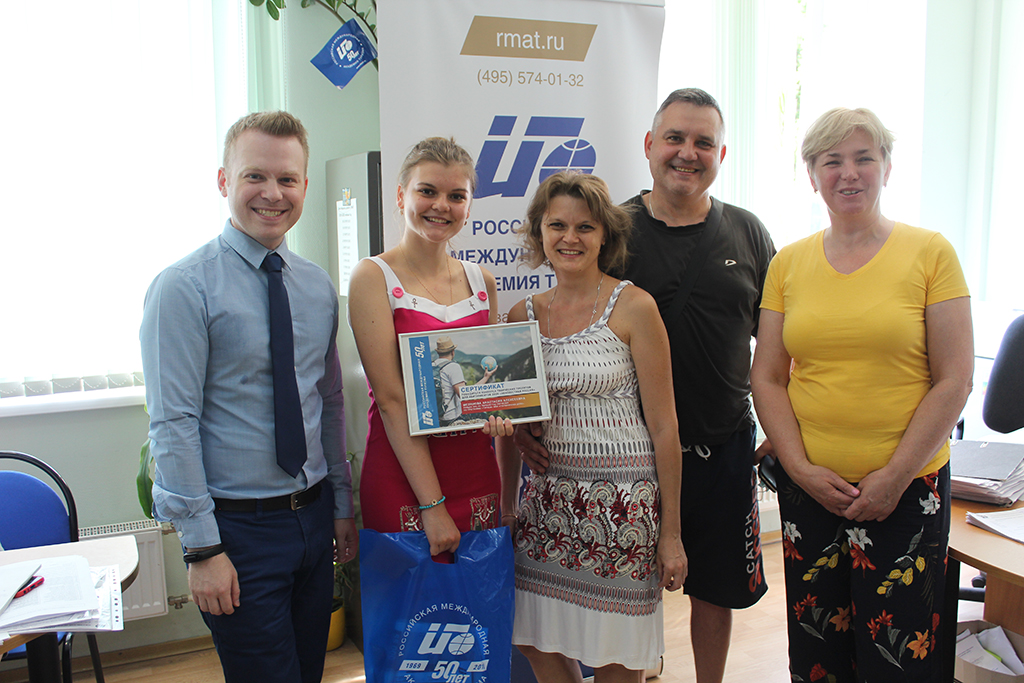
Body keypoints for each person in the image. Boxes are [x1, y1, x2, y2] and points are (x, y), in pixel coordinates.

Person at [516, 88, 775, 683]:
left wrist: (785, 430)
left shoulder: (748, 233)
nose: (687, 152)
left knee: (715, 592)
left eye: (703, 142)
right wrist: (527, 424)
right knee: (624, 612)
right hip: (629, 458)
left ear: (721, 153)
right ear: (649, 144)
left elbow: (779, 343)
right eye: (675, 138)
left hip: (722, 443)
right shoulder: (615, 230)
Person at [750, 107, 974, 682]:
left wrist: (895, 476)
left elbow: (954, 378)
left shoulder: (931, 253)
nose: (848, 173)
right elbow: (767, 377)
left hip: (908, 491)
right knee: (818, 654)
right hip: (810, 492)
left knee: (899, 658)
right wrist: (799, 468)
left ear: (887, 168)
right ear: (812, 175)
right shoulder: (788, 263)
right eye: (832, 161)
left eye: (863, 158)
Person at [140, 111, 357, 683]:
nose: (272, 193)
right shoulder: (183, 288)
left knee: (308, 673)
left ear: (304, 185)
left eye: (287, 179)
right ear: (223, 181)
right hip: (237, 534)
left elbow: (329, 402)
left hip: (313, 522)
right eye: (254, 176)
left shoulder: (316, 286)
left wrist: (341, 506)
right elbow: (173, 424)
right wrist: (201, 550)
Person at [489, 171, 686, 683]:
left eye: (585, 227)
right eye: (557, 225)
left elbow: (666, 428)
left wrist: (671, 534)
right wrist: (508, 504)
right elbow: (512, 423)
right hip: (547, 509)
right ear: (539, 232)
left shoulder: (635, 307)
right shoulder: (522, 314)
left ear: (605, 236)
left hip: (621, 513)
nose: (570, 238)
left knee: (617, 656)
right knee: (534, 639)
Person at [349, 137, 501, 557]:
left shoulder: (482, 281)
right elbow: (392, 399)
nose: (441, 206)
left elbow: (479, 393)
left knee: (479, 596)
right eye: (427, 191)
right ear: (401, 196)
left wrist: (500, 413)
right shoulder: (372, 277)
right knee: (410, 599)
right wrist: (432, 505)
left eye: (456, 196)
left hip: (475, 472)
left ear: (469, 206)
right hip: (403, 478)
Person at [434, 334, 496, 426]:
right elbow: (466, 395)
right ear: (453, 352)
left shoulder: (432, 366)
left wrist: (485, 377)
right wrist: (486, 377)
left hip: (437, 416)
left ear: (438, 352)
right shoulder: (452, 366)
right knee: (483, 414)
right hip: (451, 418)